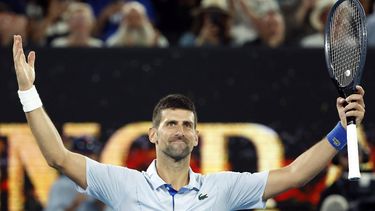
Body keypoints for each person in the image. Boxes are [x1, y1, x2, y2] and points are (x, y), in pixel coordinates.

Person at [12, 35, 366, 210]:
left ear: (197, 137)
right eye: (170, 124)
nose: (179, 130)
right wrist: (28, 91)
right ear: (152, 134)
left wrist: (341, 130)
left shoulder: (224, 189)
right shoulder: (121, 184)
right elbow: (57, 156)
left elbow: (296, 174)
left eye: (186, 125)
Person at [44, 136, 105, 211]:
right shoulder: (61, 185)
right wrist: (75, 204)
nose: (87, 159)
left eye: (90, 155)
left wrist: (102, 203)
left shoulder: (102, 184)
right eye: (82, 154)